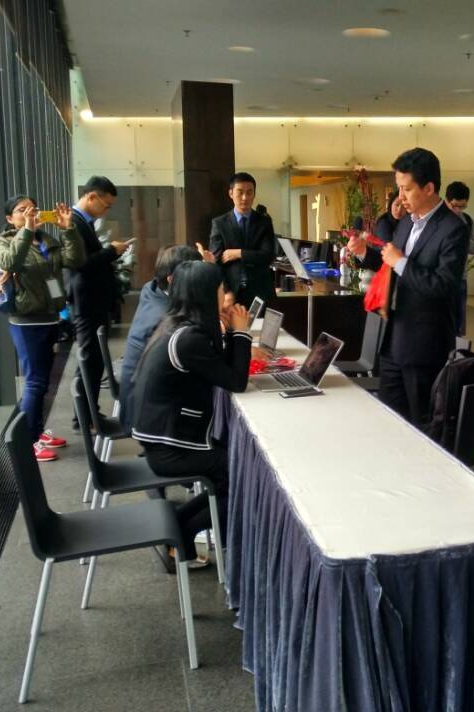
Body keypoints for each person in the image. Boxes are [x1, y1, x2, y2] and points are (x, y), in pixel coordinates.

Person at [131, 260, 252, 564]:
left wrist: (229, 331)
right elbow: (236, 381)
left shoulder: (177, 325)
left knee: (232, 468)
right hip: (171, 448)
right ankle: (182, 529)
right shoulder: (188, 339)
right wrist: (241, 333)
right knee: (243, 475)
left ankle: (179, 525)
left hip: (163, 439)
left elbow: (220, 369)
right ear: (205, 294)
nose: (227, 296)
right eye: (222, 290)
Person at [346, 147, 469, 426]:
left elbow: (443, 285)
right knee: (391, 423)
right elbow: (390, 266)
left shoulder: (453, 229)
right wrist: (365, 253)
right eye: (399, 188)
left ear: (429, 188)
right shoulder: (405, 224)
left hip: (425, 346)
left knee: (420, 426)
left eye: (406, 189)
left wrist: (401, 262)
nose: (400, 197)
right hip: (393, 341)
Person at [0, 197, 84, 462]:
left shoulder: (46, 240)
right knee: (34, 382)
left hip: (50, 317)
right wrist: (27, 231)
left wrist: (68, 229)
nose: (28, 213)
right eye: (21, 210)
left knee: (43, 381)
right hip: (27, 320)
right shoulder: (7, 240)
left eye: (31, 209)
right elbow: (9, 263)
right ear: (10, 218)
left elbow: (75, 260)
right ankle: (27, 442)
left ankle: (37, 431)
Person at [118, 244, 215, 430]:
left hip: (139, 395)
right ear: (172, 279)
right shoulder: (166, 319)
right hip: (148, 415)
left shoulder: (151, 289)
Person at [67, 176, 130, 429]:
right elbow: (81, 264)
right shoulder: (73, 223)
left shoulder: (84, 222)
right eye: (106, 205)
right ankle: (84, 417)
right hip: (87, 303)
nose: (107, 210)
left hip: (92, 301)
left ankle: (88, 414)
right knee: (89, 360)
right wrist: (111, 251)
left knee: (94, 361)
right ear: (91, 196)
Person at [209, 172, 276, 312]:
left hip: (261, 292)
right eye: (240, 192)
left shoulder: (264, 222)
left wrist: (239, 253)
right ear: (231, 193)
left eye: (249, 192)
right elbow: (216, 262)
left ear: (254, 194)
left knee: (261, 326)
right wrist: (226, 291)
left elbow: (268, 256)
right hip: (232, 293)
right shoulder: (220, 223)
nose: (245, 197)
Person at [445, 181, 474, 336]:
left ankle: (456, 350)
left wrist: (463, 240)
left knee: (458, 324)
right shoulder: (436, 219)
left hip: (460, 277)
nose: (458, 210)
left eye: (462, 206)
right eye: (454, 206)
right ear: (446, 201)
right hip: (438, 277)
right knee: (439, 321)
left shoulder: (467, 221)